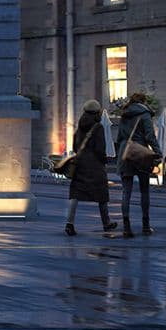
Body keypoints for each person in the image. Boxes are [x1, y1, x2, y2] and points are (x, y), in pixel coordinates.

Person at [64, 100, 117, 236]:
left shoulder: (80, 126)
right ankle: (106, 223)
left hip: (80, 165)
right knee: (102, 194)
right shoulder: (98, 127)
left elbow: (75, 146)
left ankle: (69, 223)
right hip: (95, 167)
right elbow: (100, 149)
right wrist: (104, 160)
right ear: (97, 112)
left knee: (75, 195)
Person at [113, 93, 162, 237]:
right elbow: (150, 136)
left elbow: (120, 136)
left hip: (126, 152)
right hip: (140, 153)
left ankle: (126, 227)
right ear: (143, 101)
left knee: (126, 192)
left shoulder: (124, 114)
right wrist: (158, 152)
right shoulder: (144, 114)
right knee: (144, 190)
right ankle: (146, 225)